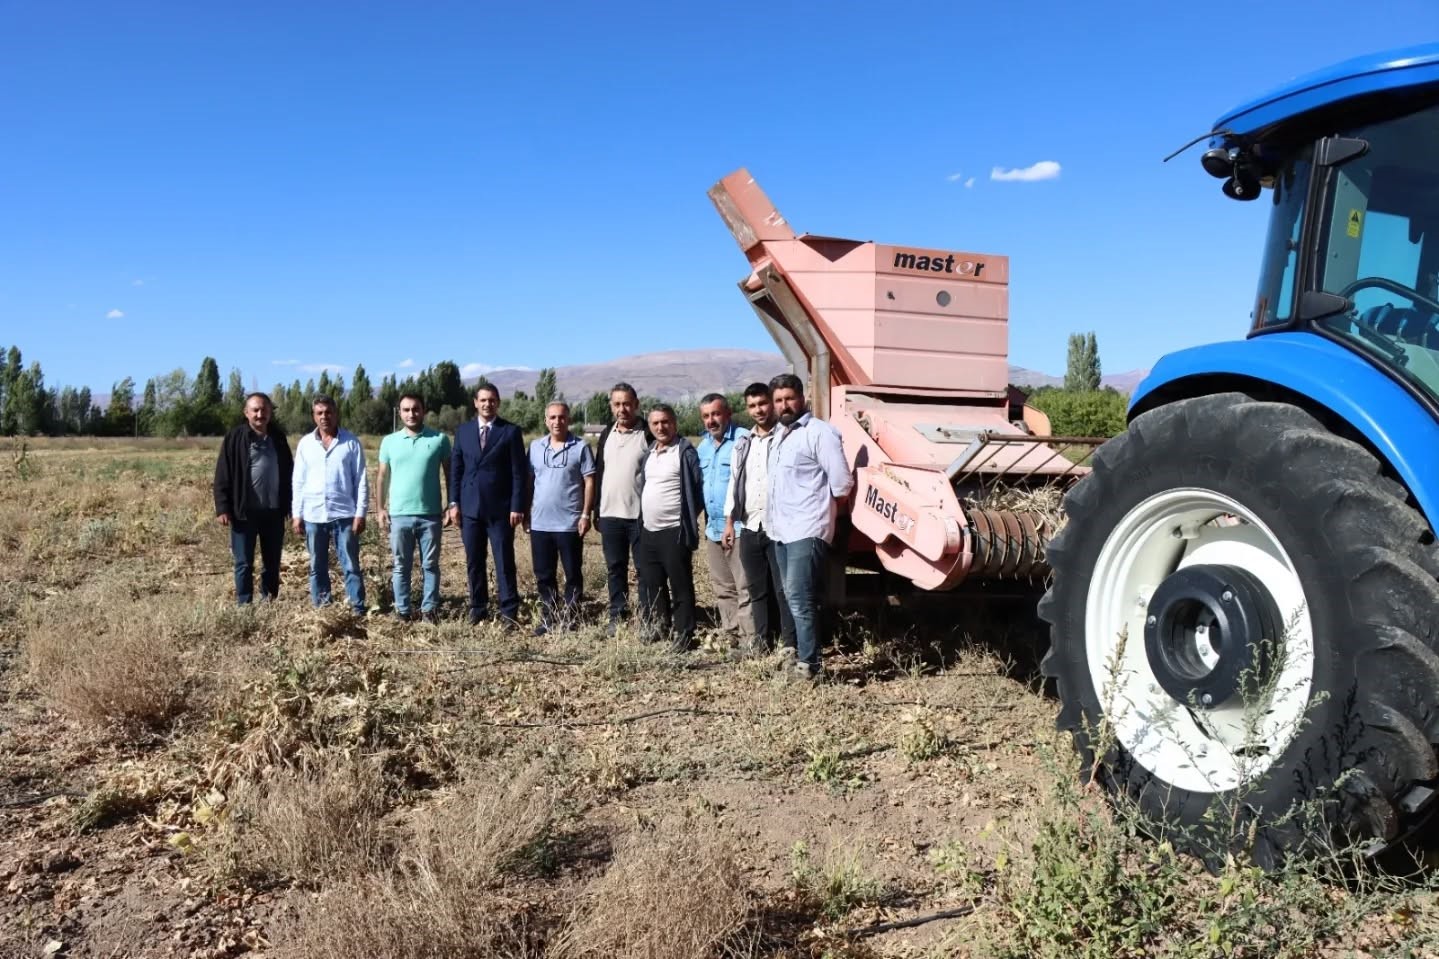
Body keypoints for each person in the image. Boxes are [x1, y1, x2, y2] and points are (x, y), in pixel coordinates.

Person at [767, 373, 853, 681]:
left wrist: (824, 514)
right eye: (778, 400)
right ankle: (795, 653)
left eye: (789, 398)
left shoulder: (820, 433)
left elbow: (842, 483)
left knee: (800, 598)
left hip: (807, 528)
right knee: (789, 596)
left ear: (802, 398)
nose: (784, 404)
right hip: (779, 530)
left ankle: (810, 665)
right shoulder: (779, 434)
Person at [722, 382, 794, 656]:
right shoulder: (743, 444)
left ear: (772, 403)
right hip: (751, 525)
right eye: (752, 406)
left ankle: (789, 645)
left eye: (762, 403)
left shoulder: (786, 437)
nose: (758, 410)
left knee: (783, 589)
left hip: (779, 527)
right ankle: (760, 643)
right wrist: (730, 522)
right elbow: (734, 483)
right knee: (756, 589)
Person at [448, 383, 527, 626]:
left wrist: (517, 505)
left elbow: (518, 473)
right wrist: (453, 502)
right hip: (470, 509)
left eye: (492, 400)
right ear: (475, 402)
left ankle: (509, 610)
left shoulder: (510, 431)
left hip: (501, 510)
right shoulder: (463, 432)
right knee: (474, 561)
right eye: (483, 400)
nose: (487, 404)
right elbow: (456, 470)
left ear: (498, 403)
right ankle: (478, 607)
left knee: (504, 561)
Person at [377, 392, 452, 624]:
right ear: (400, 412)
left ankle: (429, 610)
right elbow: (381, 476)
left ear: (424, 411)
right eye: (406, 409)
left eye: (416, 409)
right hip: (399, 515)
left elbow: (450, 474)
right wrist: (380, 508)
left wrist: (450, 505)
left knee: (430, 565)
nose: (411, 413)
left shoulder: (439, 439)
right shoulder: (389, 442)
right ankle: (403, 610)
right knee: (401, 565)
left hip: (430, 515)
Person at [291, 395, 369, 615]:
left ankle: (357, 607)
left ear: (336, 413)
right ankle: (323, 609)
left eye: (328, 412)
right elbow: (298, 481)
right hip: (314, 516)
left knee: (351, 565)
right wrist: (297, 514)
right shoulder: (306, 444)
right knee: (317, 567)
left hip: (344, 515)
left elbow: (361, 480)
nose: (324, 417)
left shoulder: (351, 442)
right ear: (314, 416)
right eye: (319, 413)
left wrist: (360, 513)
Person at [214, 392, 293, 605]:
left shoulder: (278, 438)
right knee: (243, 563)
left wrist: (291, 505)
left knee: (272, 562)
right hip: (243, 512)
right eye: (255, 410)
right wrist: (222, 507)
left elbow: (289, 473)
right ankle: (244, 604)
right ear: (246, 412)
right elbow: (223, 473)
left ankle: (268, 602)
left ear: (270, 412)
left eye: (264, 409)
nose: (260, 414)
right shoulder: (235, 438)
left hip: (273, 512)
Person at [636, 403, 704, 651]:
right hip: (649, 530)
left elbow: (697, 492)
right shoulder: (649, 453)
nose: (660, 427)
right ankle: (659, 626)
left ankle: (685, 633)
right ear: (650, 426)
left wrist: (685, 519)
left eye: (665, 422)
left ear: (674, 423)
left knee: (680, 584)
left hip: (674, 530)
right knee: (653, 583)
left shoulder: (684, 452)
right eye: (655, 423)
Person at [525, 401, 596, 636]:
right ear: (546, 420)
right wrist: (526, 512)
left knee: (572, 572)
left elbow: (589, 481)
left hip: (569, 523)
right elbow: (528, 482)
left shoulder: (581, 447)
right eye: (553, 417)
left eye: (562, 417)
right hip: (540, 523)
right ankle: (549, 616)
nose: (557, 422)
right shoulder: (535, 447)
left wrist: (585, 513)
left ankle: (572, 616)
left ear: (568, 419)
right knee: (544, 574)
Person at [591, 382, 652, 635]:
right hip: (610, 515)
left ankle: (648, 615)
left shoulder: (648, 433)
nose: (622, 409)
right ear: (611, 406)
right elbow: (599, 473)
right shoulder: (606, 434)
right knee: (615, 568)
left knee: (644, 569)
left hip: (639, 516)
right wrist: (596, 510)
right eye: (617, 404)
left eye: (627, 403)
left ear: (636, 405)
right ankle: (618, 614)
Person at [696, 392, 751, 647]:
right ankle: (732, 635)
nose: (711, 420)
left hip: (739, 526)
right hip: (713, 528)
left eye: (716, 414)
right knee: (722, 587)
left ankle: (751, 638)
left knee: (745, 587)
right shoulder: (703, 446)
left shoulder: (743, 439)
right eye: (706, 416)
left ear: (728, 414)